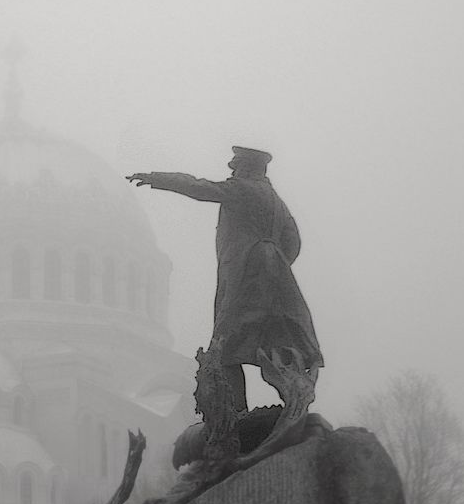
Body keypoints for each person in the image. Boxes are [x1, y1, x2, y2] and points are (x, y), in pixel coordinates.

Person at [127, 147, 322, 412]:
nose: (233, 171)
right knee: (277, 338)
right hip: (275, 273)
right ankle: (293, 401)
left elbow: (199, 187)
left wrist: (157, 178)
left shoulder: (243, 190)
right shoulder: (276, 201)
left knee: (226, 346)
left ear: (247, 168)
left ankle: (237, 414)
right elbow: (293, 241)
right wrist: (274, 260)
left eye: (236, 166)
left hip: (246, 273)